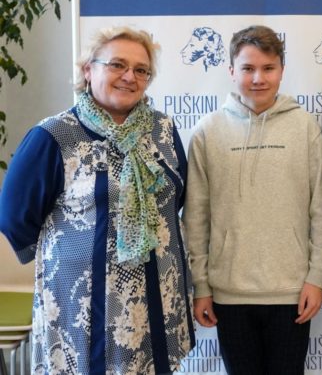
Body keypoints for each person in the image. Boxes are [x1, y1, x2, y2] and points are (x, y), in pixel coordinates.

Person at [0, 27, 194, 374]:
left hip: (157, 296)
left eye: (141, 70)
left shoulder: (163, 130)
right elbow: (15, 217)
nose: (129, 76)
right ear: (88, 70)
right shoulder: (54, 135)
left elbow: (176, 197)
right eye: (117, 64)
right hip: (81, 307)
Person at [183, 25, 322, 375]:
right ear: (231, 70)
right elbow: (195, 217)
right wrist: (201, 285)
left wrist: (317, 277)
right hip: (229, 294)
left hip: (292, 292)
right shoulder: (207, 132)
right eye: (248, 68)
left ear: (282, 70)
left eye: (268, 68)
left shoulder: (304, 128)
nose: (258, 78)